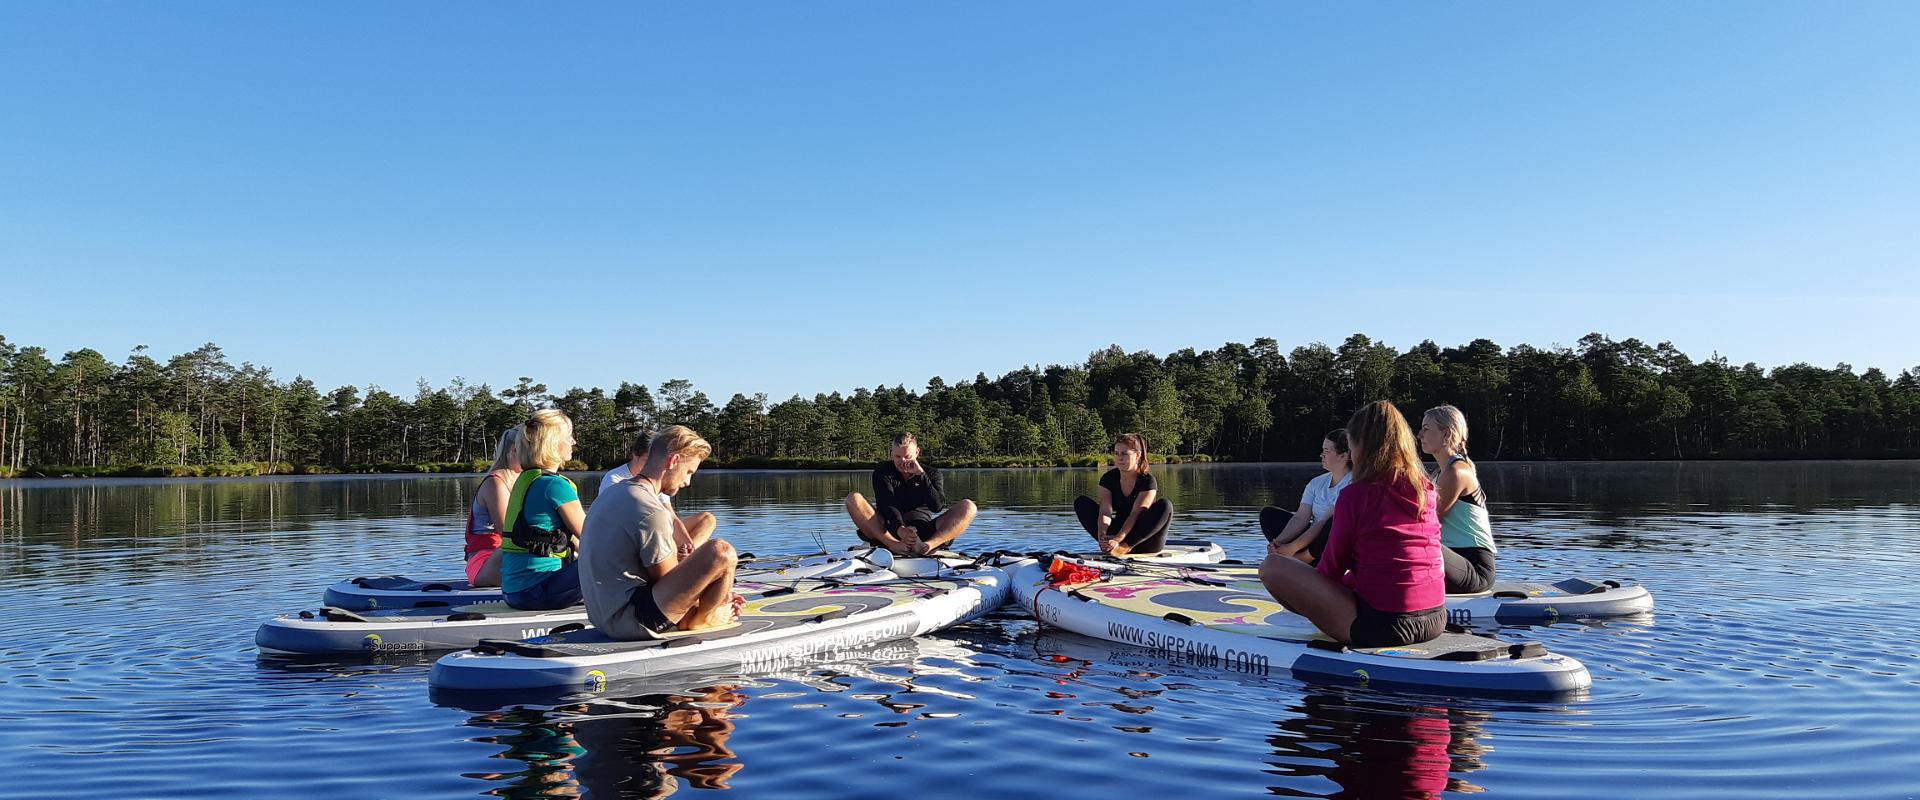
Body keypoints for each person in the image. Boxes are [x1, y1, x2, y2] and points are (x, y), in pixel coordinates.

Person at [1259, 400, 1445, 647]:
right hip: (1436, 619)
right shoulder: (1426, 489)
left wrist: (1308, 593)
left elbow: (1332, 569)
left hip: (1385, 626)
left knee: (1272, 567)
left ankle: (1330, 622)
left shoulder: (1356, 494)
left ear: (1360, 446)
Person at [580, 425, 741, 638]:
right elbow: (668, 581)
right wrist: (718, 598)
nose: (688, 482)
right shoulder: (649, 510)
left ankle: (709, 610)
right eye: (689, 471)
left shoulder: (614, 493)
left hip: (603, 617)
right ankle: (704, 619)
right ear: (673, 461)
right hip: (633, 621)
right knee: (722, 552)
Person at [498, 409, 588, 610]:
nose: (573, 442)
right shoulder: (555, 486)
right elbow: (593, 537)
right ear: (553, 443)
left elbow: (578, 541)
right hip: (538, 591)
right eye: (569, 437)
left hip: (513, 592)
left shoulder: (527, 479)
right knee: (618, 555)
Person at [844, 433, 977, 555]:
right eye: (897, 456)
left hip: (924, 531)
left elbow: (937, 506)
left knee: (969, 506)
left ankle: (926, 547)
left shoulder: (932, 474)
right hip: (888, 531)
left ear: (917, 452)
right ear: (892, 454)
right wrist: (901, 530)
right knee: (853, 498)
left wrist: (920, 475)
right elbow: (887, 504)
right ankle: (895, 546)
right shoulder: (882, 472)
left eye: (907, 456)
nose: (902, 461)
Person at [601, 430, 717, 559]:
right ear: (635, 455)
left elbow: (671, 517)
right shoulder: (615, 479)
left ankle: (687, 556)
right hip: (629, 541)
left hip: (653, 532)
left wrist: (687, 547)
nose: (652, 464)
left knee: (707, 519)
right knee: (722, 553)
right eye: (647, 459)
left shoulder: (657, 481)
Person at [1420, 405, 1498, 594]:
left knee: (1406, 539)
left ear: (1446, 434)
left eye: (1426, 429)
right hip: (1454, 561)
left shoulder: (1457, 472)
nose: (1419, 434)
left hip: (1475, 569)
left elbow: (1424, 521)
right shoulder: (1438, 474)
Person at [1261, 430, 1353, 565]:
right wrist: (1279, 543)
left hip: (1333, 543)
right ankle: (1287, 555)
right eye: (1322, 450)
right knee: (1269, 515)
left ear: (1344, 456)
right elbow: (1301, 517)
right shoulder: (1316, 483)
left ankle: (1301, 558)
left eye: (1327, 451)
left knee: (1331, 524)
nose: (1322, 455)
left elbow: (1325, 523)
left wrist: (1292, 548)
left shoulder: (1353, 484)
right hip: (1313, 539)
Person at [1073, 433, 1173, 555]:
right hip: (1118, 533)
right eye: (1116, 453)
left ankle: (1125, 547)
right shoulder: (1108, 479)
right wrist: (1102, 536)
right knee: (1081, 503)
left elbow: (1135, 514)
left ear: (1137, 455)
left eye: (1125, 454)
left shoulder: (1148, 481)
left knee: (1165, 505)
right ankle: (1109, 546)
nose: (1119, 458)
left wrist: (1118, 540)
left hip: (1143, 540)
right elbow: (1105, 511)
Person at [464, 425, 523, 587]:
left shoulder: (523, 480)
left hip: (505, 557)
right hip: (484, 562)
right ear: (515, 450)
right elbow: (508, 533)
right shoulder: (496, 483)